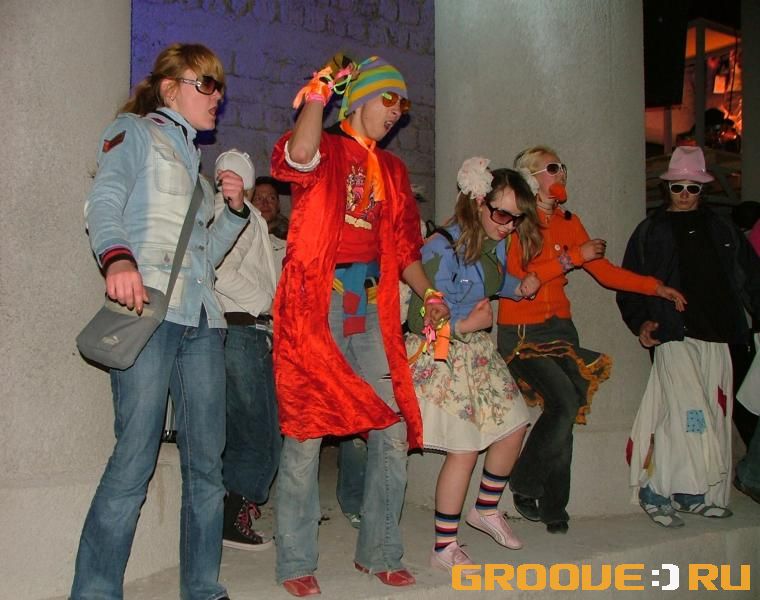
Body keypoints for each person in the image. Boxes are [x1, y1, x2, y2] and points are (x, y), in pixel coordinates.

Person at [72, 43, 249, 600]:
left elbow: (203, 258)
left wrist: (233, 214)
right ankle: (95, 592)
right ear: (170, 88)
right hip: (151, 315)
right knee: (133, 460)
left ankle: (202, 587)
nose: (216, 96)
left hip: (204, 321)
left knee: (207, 467)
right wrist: (117, 258)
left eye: (220, 87)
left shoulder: (198, 175)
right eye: (206, 84)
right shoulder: (134, 133)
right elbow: (104, 200)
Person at [270, 55, 449, 597]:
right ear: (360, 99)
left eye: (404, 104)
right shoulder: (325, 148)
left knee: (391, 428)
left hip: (371, 308)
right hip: (317, 305)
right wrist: (320, 91)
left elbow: (405, 249)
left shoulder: (393, 171)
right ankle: (295, 560)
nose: (397, 111)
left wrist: (430, 293)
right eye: (389, 98)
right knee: (306, 432)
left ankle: (380, 551)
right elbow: (298, 155)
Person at [496, 145, 686, 535]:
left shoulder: (569, 221)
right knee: (565, 401)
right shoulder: (517, 222)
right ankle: (525, 481)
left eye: (562, 166)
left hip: (561, 329)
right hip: (522, 332)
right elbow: (520, 278)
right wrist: (571, 258)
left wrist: (655, 287)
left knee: (566, 407)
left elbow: (606, 272)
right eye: (552, 168)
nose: (561, 173)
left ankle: (554, 505)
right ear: (531, 177)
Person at [406, 158, 542, 572]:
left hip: (476, 350)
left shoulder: (494, 241)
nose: (509, 225)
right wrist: (466, 325)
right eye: (502, 215)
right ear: (479, 202)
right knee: (464, 448)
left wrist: (519, 288)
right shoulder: (440, 247)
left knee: (514, 424)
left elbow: (491, 280)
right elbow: (417, 318)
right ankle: (444, 546)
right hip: (443, 350)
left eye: (517, 218)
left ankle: (485, 508)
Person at [618, 146, 760, 527]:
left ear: (703, 190)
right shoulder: (650, 230)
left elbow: (750, 277)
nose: (684, 194)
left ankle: (691, 491)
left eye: (692, 187)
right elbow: (630, 282)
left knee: (710, 416)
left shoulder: (723, 229)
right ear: (667, 189)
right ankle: (655, 488)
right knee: (687, 413)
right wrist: (641, 323)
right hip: (673, 334)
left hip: (718, 335)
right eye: (677, 186)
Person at [213, 155, 280, 551]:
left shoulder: (234, 214)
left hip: (236, 331)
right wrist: (267, 303)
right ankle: (233, 517)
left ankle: (230, 510)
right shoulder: (241, 217)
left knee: (242, 428)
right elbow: (219, 270)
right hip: (243, 329)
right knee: (259, 431)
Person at [252, 175, 290, 239]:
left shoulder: (294, 238)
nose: (265, 203)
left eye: (271, 198)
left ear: (278, 205)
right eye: (258, 199)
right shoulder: (241, 237)